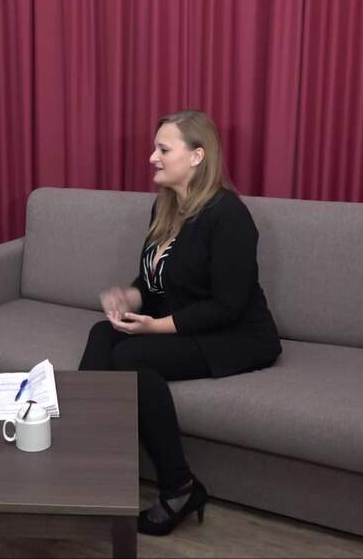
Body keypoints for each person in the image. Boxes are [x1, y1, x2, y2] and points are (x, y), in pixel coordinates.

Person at [78, 110, 282, 536]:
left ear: (196, 156)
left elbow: (227, 306)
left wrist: (152, 327)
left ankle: (180, 487)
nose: (152, 157)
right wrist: (128, 298)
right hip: (189, 322)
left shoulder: (229, 215)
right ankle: (86, 463)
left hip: (236, 335)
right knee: (102, 333)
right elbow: (153, 284)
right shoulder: (165, 206)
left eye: (163, 149)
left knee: (131, 357)